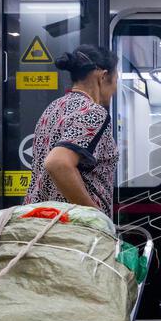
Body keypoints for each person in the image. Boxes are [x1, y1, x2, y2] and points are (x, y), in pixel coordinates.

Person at [24, 45, 118, 216]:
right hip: (70, 226)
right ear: (103, 77)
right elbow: (58, 163)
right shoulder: (93, 113)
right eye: (116, 80)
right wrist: (94, 217)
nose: (115, 90)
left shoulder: (54, 107)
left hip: (41, 220)